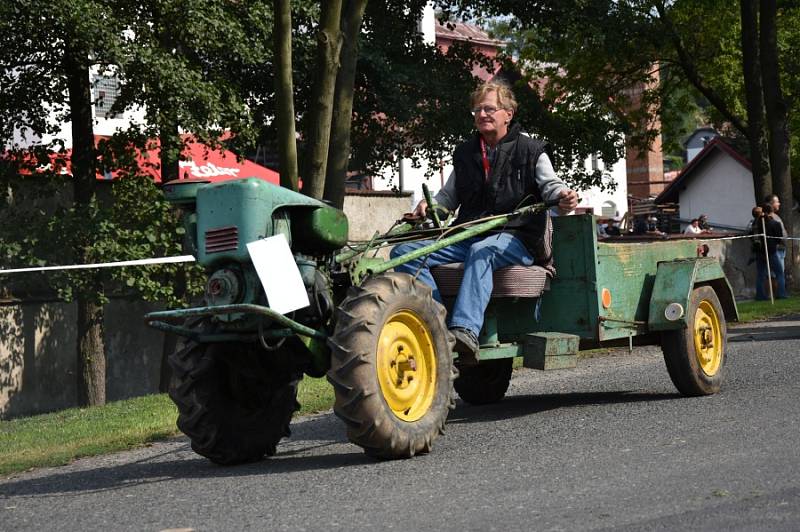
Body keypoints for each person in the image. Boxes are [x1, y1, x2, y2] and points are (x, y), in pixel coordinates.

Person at [390, 80, 578, 363]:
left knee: (483, 251)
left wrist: (564, 196)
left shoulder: (531, 150)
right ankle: (437, 326)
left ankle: (465, 330)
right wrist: (430, 206)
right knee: (403, 254)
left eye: (489, 108)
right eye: (477, 110)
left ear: (508, 114)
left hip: (515, 237)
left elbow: (551, 186)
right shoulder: (466, 153)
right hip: (469, 233)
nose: (482, 114)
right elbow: (447, 197)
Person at [753, 203, 788, 300]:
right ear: (771, 211)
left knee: (760, 275)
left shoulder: (756, 223)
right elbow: (778, 238)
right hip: (771, 251)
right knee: (779, 273)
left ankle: (760, 296)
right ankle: (781, 294)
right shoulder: (774, 223)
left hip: (759, 252)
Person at [765, 194, 788, 280]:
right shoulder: (769, 218)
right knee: (776, 274)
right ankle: (779, 293)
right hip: (776, 249)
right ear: (771, 204)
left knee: (778, 273)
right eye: (777, 202)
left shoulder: (776, 216)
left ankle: (779, 292)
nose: (779, 204)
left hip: (780, 249)